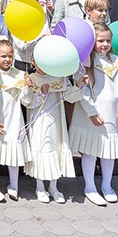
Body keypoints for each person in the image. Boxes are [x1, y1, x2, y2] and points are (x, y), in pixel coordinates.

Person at [69, 23, 118, 206]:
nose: (104, 45)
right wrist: (91, 113)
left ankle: (106, 184)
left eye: (108, 41)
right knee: (90, 151)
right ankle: (89, 186)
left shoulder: (116, 62)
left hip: (111, 115)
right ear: (92, 42)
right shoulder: (84, 63)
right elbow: (83, 92)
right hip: (92, 115)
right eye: (100, 41)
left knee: (108, 152)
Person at [21, 56, 86, 204]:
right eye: (38, 62)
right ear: (32, 62)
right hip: (38, 122)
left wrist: (80, 84)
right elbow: (26, 102)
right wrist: (39, 92)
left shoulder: (59, 77)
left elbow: (69, 96)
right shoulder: (30, 78)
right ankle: (39, 186)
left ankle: (53, 186)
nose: (41, 66)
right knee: (41, 149)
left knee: (56, 149)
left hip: (56, 121)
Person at [0, 39, 32, 202]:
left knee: (14, 154)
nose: (7, 60)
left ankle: (14, 185)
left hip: (15, 121)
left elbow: (26, 101)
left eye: (10, 56)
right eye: (3, 56)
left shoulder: (19, 74)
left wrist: (27, 87)